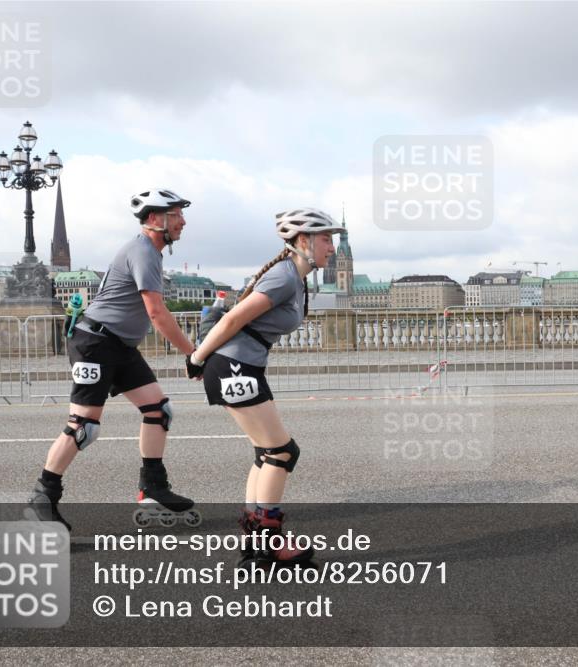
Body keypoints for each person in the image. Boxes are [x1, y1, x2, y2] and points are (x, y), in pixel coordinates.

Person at [27, 188, 200, 530]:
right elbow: (157, 314)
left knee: (158, 410)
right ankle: (41, 499)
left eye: (181, 214)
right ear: (154, 219)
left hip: (117, 345)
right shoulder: (144, 251)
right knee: (83, 426)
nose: (183, 220)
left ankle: (152, 487)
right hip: (95, 343)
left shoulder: (149, 251)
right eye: (176, 214)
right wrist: (193, 353)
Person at [187, 207, 342, 565]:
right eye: (325, 238)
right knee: (282, 453)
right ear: (303, 240)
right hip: (235, 366)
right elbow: (233, 319)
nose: (331, 247)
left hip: (239, 366)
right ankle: (269, 546)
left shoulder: (295, 277)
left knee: (266, 453)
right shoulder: (284, 277)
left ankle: (256, 542)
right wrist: (196, 359)